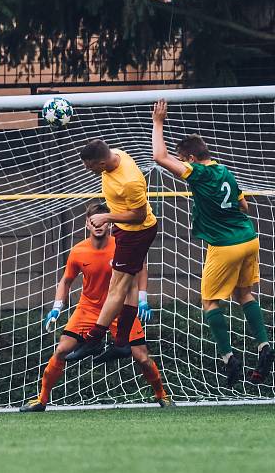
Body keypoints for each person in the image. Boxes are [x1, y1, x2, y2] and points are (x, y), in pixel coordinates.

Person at [151, 99, 272, 386]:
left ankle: (228, 358)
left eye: (183, 160)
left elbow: (159, 157)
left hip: (225, 246)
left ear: (191, 159)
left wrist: (158, 122)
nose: (181, 165)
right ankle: (264, 346)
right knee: (244, 294)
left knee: (209, 301)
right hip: (249, 238)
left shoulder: (200, 173)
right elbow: (244, 206)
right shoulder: (223, 170)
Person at [21, 203, 173, 412]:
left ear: (109, 223)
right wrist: (57, 308)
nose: (98, 225)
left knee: (142, 357)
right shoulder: (78, 251)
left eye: (102, 221)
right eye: (93, 221)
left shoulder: (121, 245)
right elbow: (66, 280)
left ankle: (162, 396)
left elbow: (140, 268)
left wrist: (142, 299)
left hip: (120, 310)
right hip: (88, 309)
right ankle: (41, 400)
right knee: (61, 350)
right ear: (87, 224)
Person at [66, 140, 158, 364]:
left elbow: (139, 216)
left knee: (116, 288)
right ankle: (122, 344)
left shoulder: (130, 182)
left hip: (136, 232)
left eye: (91, 167)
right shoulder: (114, 155)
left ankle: (95, 340)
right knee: (126, 286)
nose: (90, 171)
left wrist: (106, 216)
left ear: (101, 162)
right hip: (126, 230)